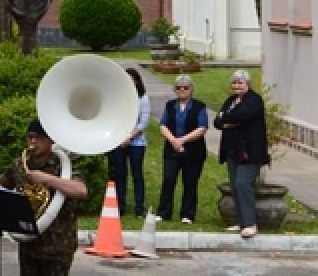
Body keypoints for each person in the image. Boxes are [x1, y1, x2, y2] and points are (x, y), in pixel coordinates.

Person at [0, 119, 86, 276]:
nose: (33, 143)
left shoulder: (61, 163)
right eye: (30, 138)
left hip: (58, 244)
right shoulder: (20, 165)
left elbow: (80, 190)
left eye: (38, 138)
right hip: (30, 243)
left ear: (49, 141)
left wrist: (47, 179)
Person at [214, 69, 269, 238]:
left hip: (250, 152)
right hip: (233, 151)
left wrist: (227, 118)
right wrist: (227, 120)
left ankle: (250, 224)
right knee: (235, 186)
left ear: (248, 84)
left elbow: (241, 115)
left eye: (240, 82)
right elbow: (217, 121)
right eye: (234, 82)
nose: (236, 85)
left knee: (243, 183)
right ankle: (242, 221)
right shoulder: (231, 100)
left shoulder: (254, 100)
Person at [157, 74, 210, 224]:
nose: (182, 90)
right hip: (171, 149)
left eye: (185, 88)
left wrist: (182, 140)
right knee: (168, 179)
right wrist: (173, 140)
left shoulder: (199, 106)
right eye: (178, 88)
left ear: (191, 89)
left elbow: (202, 128)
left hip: (194, 151)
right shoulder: (169, 105)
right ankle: (164, 213)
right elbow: (163, 125)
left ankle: (187, 215)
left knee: (190, 182)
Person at [107, 67, 150, 217]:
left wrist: (129, 137)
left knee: (137, 174)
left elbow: (143, 123)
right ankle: (120, 207)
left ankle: (139, 208)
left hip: (136, 143)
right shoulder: (116, 97)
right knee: (120, 174)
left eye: (130, 78)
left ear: (137, 81)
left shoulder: (143, 98)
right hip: (118, 142)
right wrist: (119, 138)